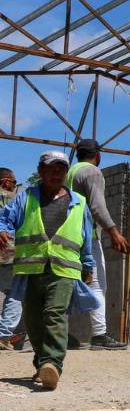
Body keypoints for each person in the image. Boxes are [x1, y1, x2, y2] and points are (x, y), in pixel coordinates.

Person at [0, 151, 99, 390]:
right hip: (31, 268)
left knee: (54, 314)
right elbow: (6, 218)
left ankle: (53, 363)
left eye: (61, 169)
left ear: (66, 173)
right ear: (41, 171)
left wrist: (88, 265)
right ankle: (41, 365)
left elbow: (86, 237)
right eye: (51, 169)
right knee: (34, 319)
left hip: (64, 269)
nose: (57, 173)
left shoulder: (78, 202)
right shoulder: (27, 198)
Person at [66, 138, 130, 350]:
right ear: (98, 155)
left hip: (64, 237)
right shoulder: (92, 172)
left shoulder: (69, 173)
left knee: (65, 284)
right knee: (97, 284)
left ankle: (62, 334)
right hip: (85, 237)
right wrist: (114, 232)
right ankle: (99, 335)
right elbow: (97, 207)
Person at [0, 168, 23, 350]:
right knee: (15, 293)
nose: (14, 187)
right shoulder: (10, 200)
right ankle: (4, 334)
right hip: (6, 255)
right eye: (14, 183)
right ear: (5, 182)